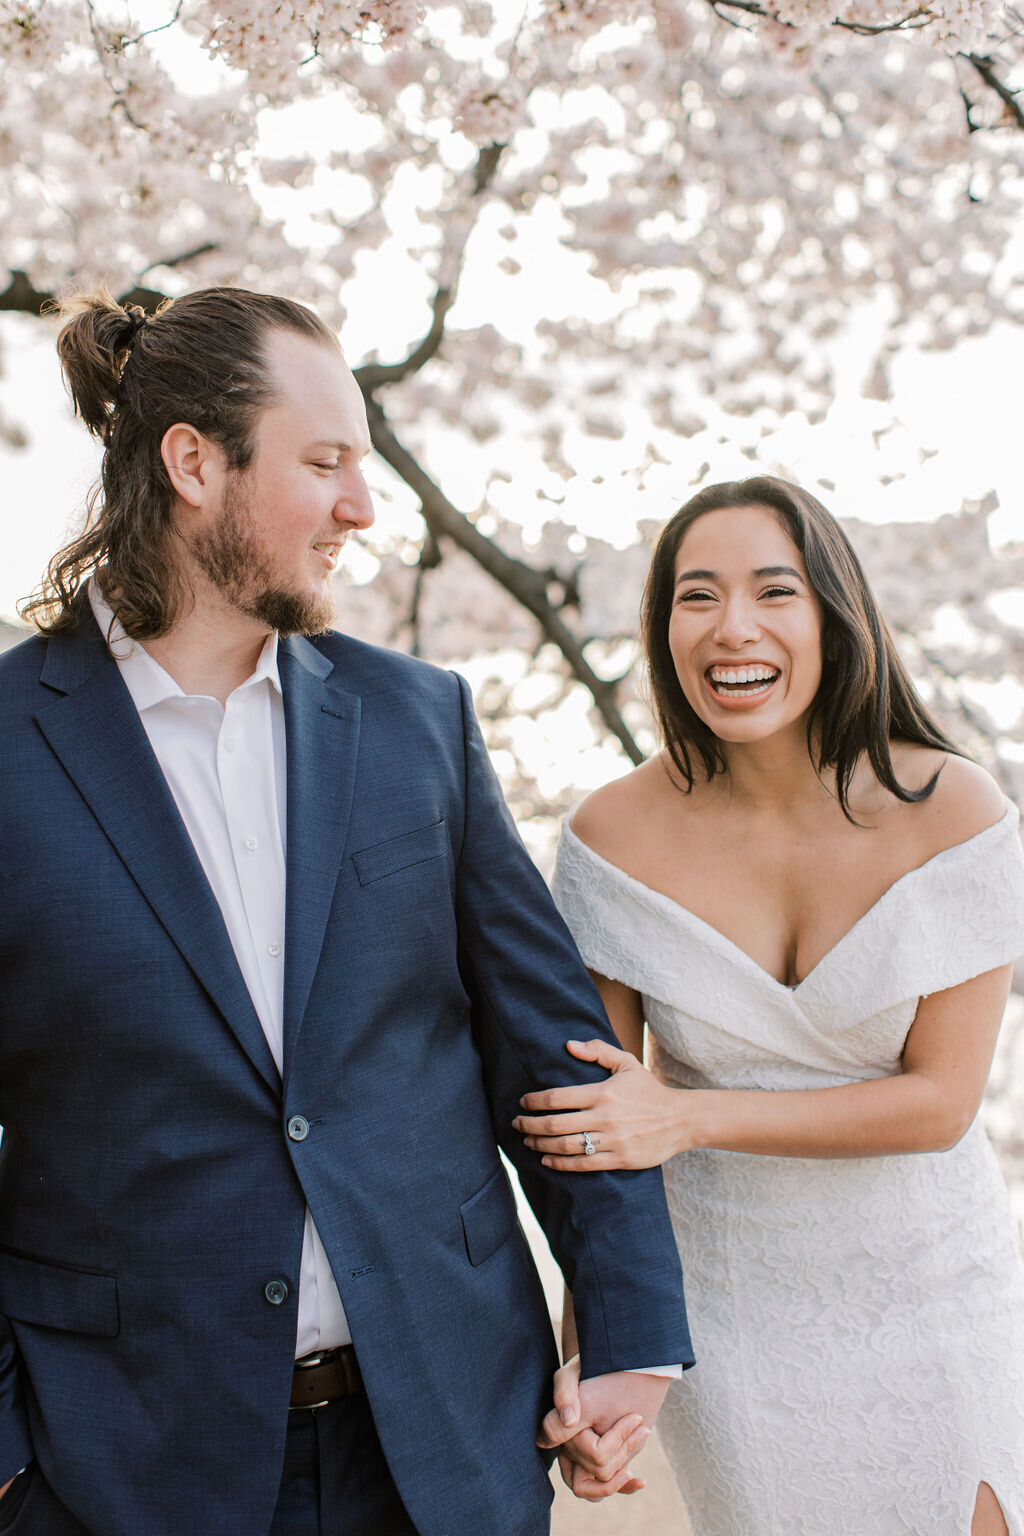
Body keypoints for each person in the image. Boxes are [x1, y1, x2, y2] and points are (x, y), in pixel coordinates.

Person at [0, 287, 694, 1536]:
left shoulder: (418, 721)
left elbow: (553, 1056)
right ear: (194, 462)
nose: (362, 508)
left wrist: (631, 1334)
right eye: (324, 463)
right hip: (119, 1466)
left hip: (444, 1440)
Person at [515, 476, 1024, 1534]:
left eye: (772, 591)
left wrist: (691, 1114)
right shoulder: (610, 841)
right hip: (733, 1317)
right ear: (662, 629)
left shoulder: (957, 810)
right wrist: (598, 1354)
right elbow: (604, 1135)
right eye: (695, 596)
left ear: (833, 614)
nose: (731, 628)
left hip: (939, 1297)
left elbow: (937, 1105)